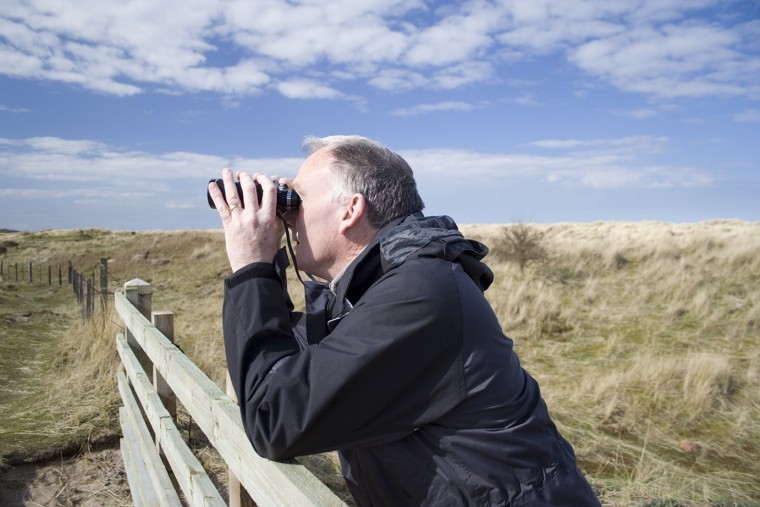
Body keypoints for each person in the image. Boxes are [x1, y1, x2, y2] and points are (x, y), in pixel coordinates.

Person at [208, 135, 600, 506]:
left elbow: (273, 416)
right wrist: (266, 254)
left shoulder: (422, 292)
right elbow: (280, 364)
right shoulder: (372, 289)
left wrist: (252, 267)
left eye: (298, 199)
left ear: (350, 210)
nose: (288, 215)